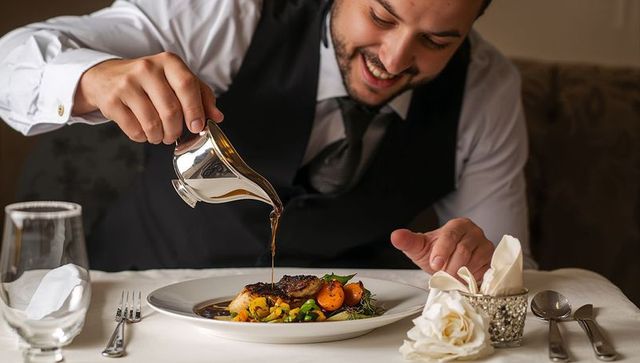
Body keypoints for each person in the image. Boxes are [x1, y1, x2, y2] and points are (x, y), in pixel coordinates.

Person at [0, 0, 535, 278]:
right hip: (144, 302)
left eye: (437, 41)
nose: (393, 61)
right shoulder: (232, 15)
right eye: (380, 16)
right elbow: (12, 61)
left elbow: (508, 266)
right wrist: (93, 77)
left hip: (335, 334)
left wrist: (479, 260)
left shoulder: (485, 89)